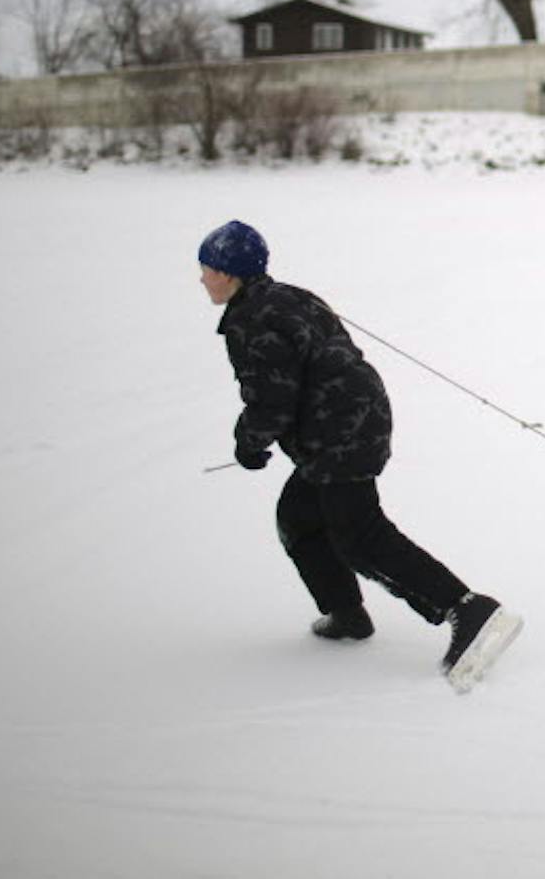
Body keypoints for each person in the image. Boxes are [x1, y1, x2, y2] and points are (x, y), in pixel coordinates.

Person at [197, 219, 520, 690]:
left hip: (339, 433)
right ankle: (345, 612)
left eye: (207, 269)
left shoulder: (252, 322)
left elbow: (272, 400)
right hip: (355, 420)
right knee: (299, 517)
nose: (202, 278)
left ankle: (469, 610)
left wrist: (248, 443)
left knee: (361, 536)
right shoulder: (289, 297)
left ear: (229, 273)